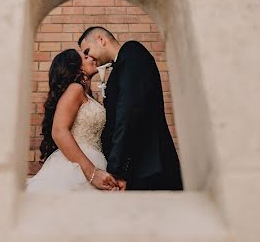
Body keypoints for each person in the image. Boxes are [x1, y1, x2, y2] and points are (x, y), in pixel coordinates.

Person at [78, 26, 183, 191]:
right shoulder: (119, 68)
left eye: (87, 50)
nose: (88, 57)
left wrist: (116, 169)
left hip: (151, 167)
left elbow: (128, 112)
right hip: (138, 169)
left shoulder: (133, 53)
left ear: (101, 39)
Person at [26, 48, 120, 192]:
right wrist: (92, 173)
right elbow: (58, 131)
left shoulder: (85, 94)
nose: (92, 58)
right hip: (78, 166)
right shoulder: (75, 89)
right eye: (86, 56)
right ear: (76, 66)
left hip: (95, 158)